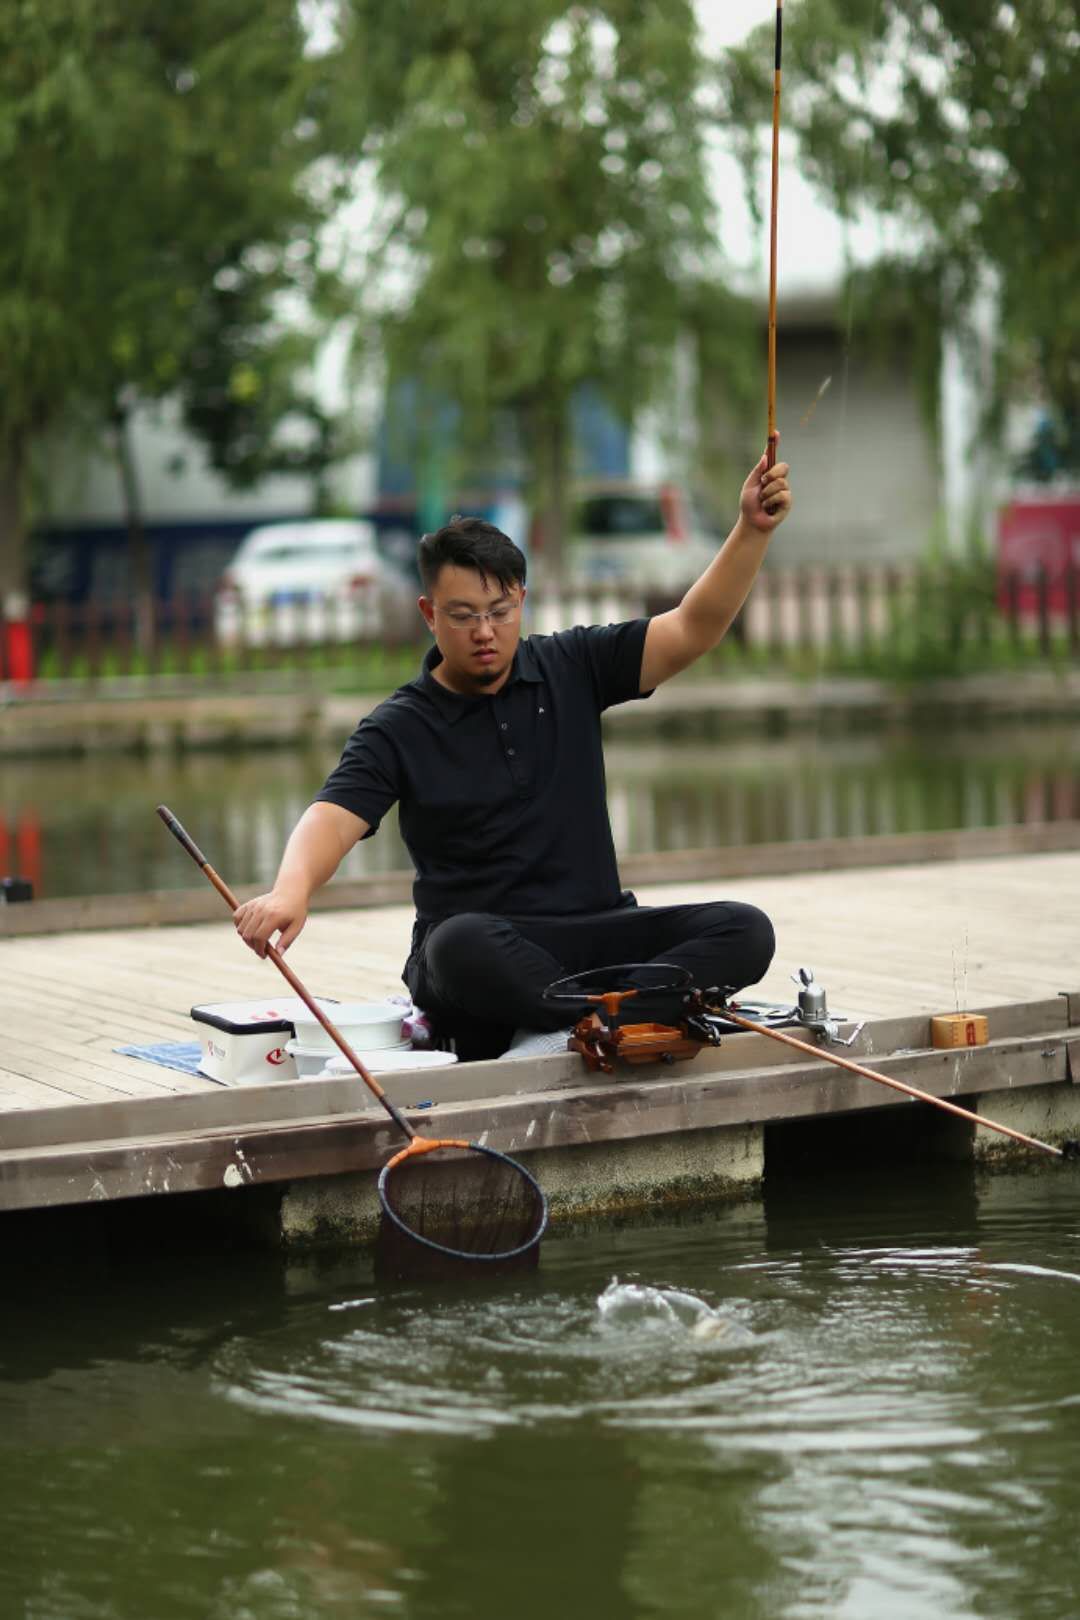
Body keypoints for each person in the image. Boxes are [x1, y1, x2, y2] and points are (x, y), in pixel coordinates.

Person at [234, 450, 793, 1058]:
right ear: (429, 614)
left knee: (744, 928)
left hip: (598, 934)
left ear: (520, 601)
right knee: (456, 946)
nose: (484, 632)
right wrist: (291, 891)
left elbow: (690, 628)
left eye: (499, 613)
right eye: (464, 615)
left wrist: (750, 530)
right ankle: (624, 1013)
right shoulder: (400, 725)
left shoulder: (572, 665)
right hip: (489, 950)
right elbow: (331, 817)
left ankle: (605, 1015)